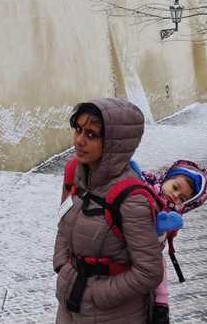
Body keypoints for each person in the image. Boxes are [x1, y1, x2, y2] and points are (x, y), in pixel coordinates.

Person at [54, 98, 163, 323]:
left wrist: (98, 294)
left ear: (115, 144)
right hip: (70, 305)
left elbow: (149, 271)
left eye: (91, 134)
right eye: (78, 130)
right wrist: (62, 265)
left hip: (113, 314)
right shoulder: (77, 177)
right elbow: (64, 226)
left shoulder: (131, 199)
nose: (79, 141)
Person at [141, 160, 207, 324]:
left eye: (182, 198)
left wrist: (160, 231)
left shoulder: (172, 214)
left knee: (159, 264)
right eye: (175, 187)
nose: (175, 195)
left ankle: (161, 304)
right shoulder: (144, 187)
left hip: (148, 254)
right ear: (166, 178)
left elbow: (158, 245)